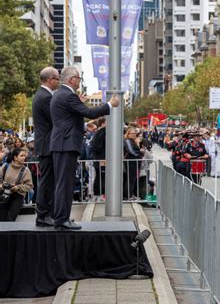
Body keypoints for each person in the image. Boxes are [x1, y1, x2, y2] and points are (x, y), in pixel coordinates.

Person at [50, 67, 119, 229]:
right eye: (79, 79)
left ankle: (62, 217)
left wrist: (79, 106)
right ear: (71, 79)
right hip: (65, 145)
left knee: (63, 183)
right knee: (64, 184)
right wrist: (110, 104)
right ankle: (61, 219)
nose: (80, 82)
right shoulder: (68, 95)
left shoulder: (61, 94)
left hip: (62, 144)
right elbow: (90, 112)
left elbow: (70, 117)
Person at [32, 66, 60, 226]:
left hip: (46, 145)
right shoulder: (45, 97)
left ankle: (50, 215)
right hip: (47, 146)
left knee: (49, 182)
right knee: (47, 183)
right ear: (50, 80)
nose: (59, 82)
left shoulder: (42, 95)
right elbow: (56, 119)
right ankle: (43, 215)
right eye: (57, 78)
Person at [0, 148, 33, 221]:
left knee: (10, 219)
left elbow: (29, 185)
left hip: (18, 196)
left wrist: (17, 187)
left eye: (25, 156)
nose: (24, 157)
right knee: (1, 219)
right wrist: (1, 185)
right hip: (4, 194)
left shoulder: (26, 170)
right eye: (21, 156)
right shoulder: (6, 166)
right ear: (15, 157)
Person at [124, 126, 143, 200]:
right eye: (132, 133)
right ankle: (128, 195)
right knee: (130, 179)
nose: (134, 135)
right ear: (128, 134)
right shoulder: (128, 141)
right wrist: (139, 153)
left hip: (135, 162)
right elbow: (131, 151)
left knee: (133, 179)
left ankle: (131, 194)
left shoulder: (133, 141)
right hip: (131, 162)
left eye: (135, 133)